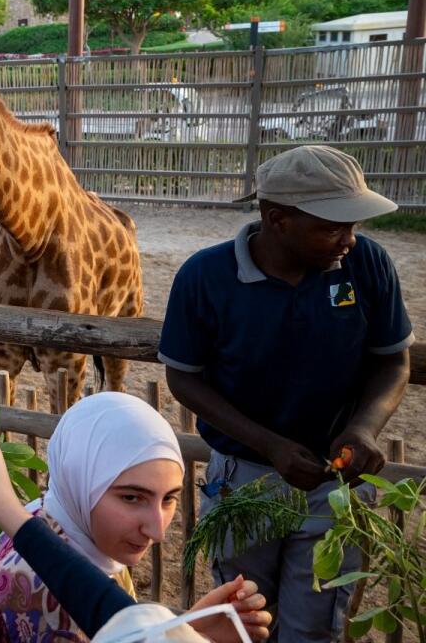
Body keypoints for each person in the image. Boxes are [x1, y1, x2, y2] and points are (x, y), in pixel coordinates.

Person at [161, 144, 414, 641]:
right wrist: (268, 445)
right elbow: (184, 378)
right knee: (243, 622)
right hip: (242, 484)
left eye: (354, 224)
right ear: (278, 220)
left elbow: (393, 361)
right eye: (332, 226)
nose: (349, 239)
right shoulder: (205, 277)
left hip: (333, 487)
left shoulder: (367, 266)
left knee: (313, 627)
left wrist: (363, 427)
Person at [0, 392, 270, 643]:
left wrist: (188, 631)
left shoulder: (46, 517)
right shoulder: (48, 599)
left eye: (169, 498)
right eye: (131, 497)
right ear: (81, 481)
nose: (158, 531)